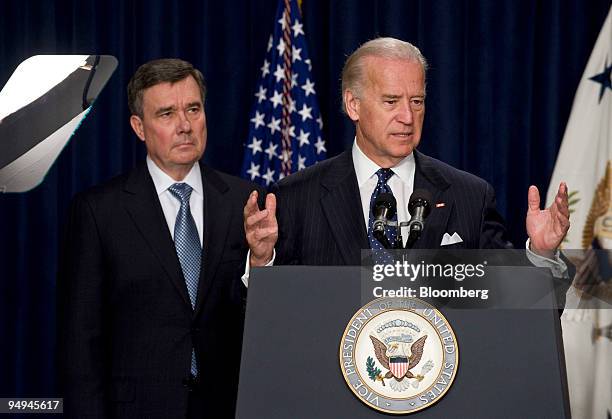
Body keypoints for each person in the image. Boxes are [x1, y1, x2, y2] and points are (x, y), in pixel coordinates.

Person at [243, 37, 569, 269]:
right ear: (352, 105)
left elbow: (513, 306)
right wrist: (262, 261)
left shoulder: (470, 196)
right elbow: (264, 321)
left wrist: (541, 254)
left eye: (417, 101)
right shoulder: (298, 197)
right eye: (391, 101)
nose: (408, 117)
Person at [58, 59, 263, 418]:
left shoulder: (245, 201)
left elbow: (263, 323)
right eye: (166, 114)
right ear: (139, 127)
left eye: (193, 109)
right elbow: (81, 342)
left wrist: (262, 262)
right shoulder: (99, 211)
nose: (185, 126)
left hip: (227, 407)